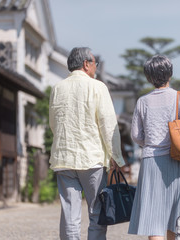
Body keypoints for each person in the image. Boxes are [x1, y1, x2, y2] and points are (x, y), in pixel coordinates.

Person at [49, 47, 125, 240]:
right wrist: (115, 155)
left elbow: (53, 123)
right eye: (95, 64)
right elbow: (109, 125)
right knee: (97, 212)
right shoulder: (98, 87)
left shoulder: (57, 88)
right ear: (86, 64)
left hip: (64, 158)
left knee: (69, 214)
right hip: (92, 160)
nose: (96, 68)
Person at [128, 55, 180, 240]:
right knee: (174, 217)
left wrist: (150, 143)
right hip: (177, 161)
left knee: (154, 220)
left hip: (151, 161)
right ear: (170, 73)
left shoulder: (142, 102)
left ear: (149, 77)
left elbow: (136, 135)